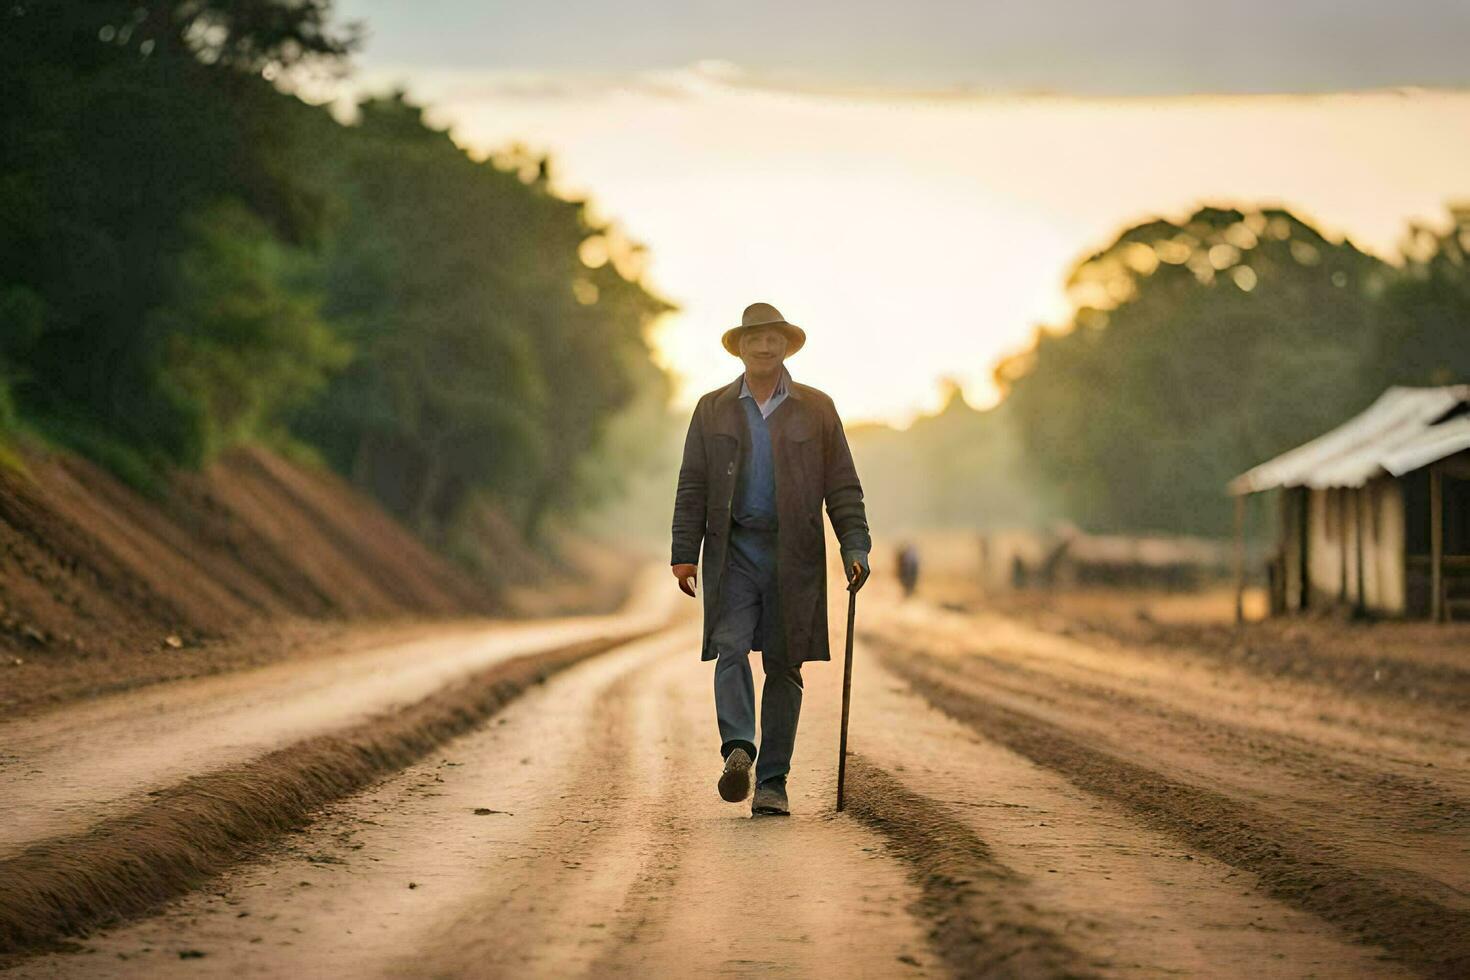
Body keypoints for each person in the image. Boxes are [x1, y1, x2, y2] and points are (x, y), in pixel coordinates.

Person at [670, 302, 871, 817]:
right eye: (754, 338)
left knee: (785, 665)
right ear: (739, 346)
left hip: (795, 555)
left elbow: (842, 485)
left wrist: (855, 546)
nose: (764, 346)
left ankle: (773, 783)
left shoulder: (817, 408)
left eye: (773, 338)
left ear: (786, 346)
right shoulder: (711, 408)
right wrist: (683, 553)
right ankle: (739, 747)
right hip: (732, 550)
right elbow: (692, 483)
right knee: (729, 646)